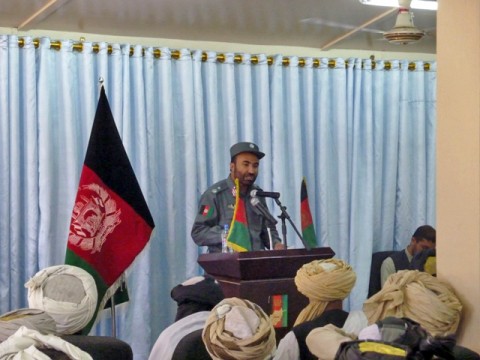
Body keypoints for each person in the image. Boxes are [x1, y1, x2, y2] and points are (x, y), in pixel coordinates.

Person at [191, 141, 284, 253]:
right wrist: (227, 235)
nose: (251, 171)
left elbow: (268, 230)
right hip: (226, 265)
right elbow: (198, 232)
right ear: (232, 166)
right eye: (245, 164)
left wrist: (276, 244)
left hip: (257, 264)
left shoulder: (257, 195)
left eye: (255, 166)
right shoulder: (214, 195)